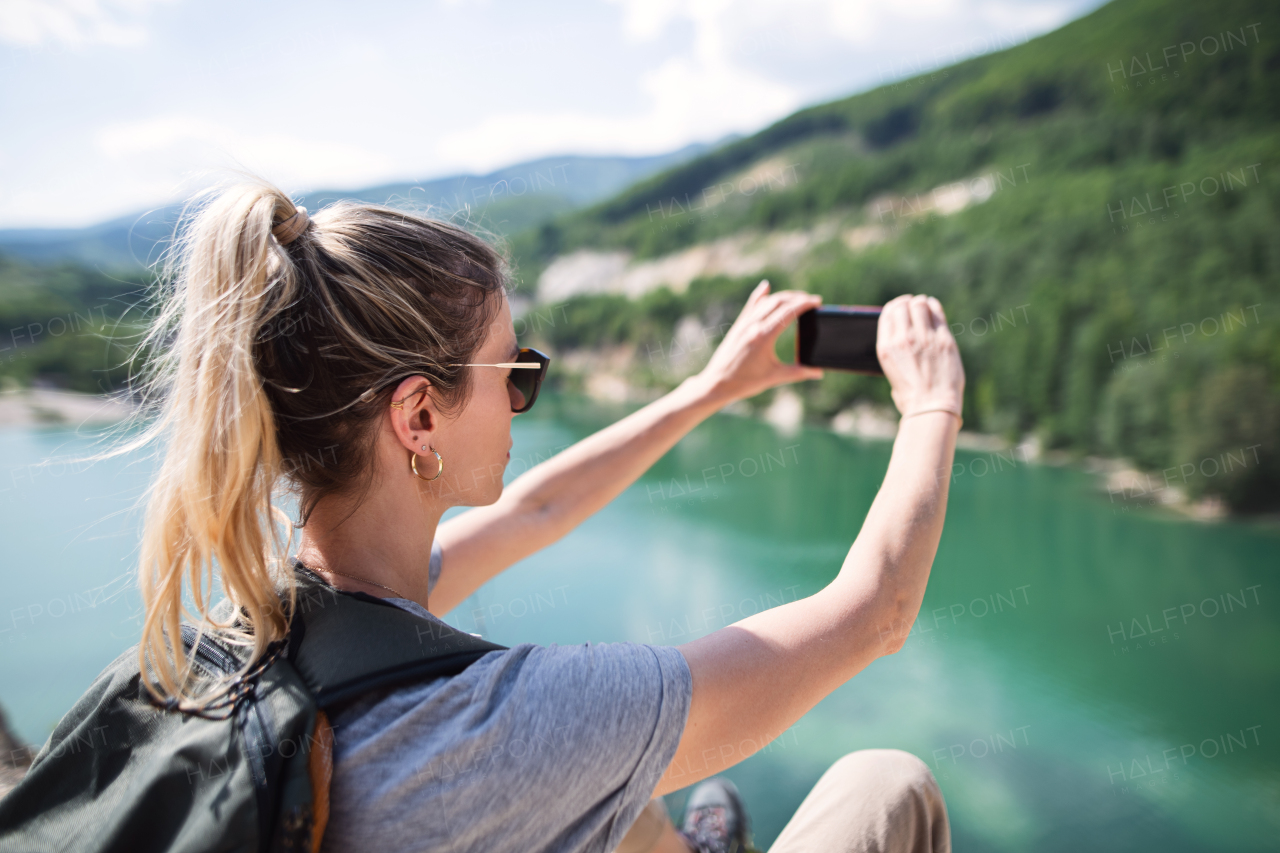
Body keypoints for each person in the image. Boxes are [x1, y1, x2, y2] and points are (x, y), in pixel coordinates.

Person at [127, 179, 964, 853]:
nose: (527, 393)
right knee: (888, 783)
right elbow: (876, 613)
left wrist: (708, 390)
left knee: (622, 796)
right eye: (514, 372)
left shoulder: (250, 627)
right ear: (419, 417)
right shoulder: (505, 726)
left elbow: (541, 507)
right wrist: (932, 406)